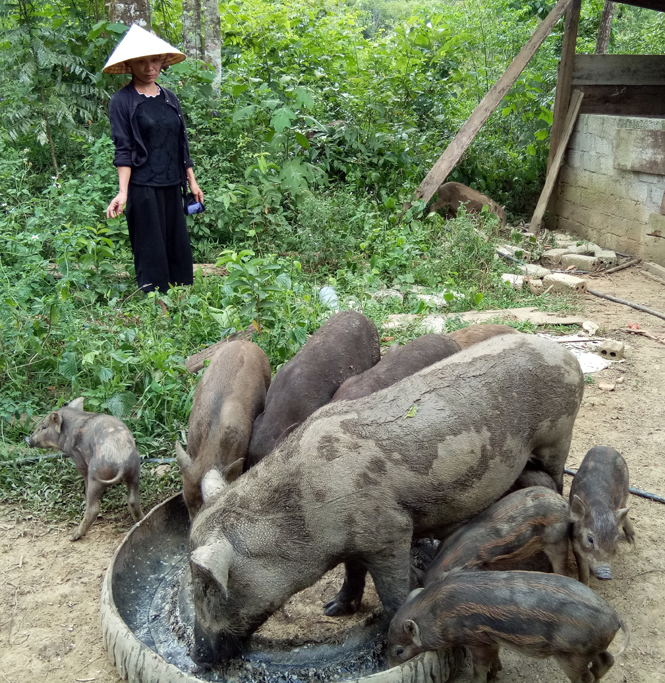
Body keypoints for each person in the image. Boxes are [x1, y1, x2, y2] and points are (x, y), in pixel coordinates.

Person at [103, 25, 203, 311]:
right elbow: (123, 149)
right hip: (143, 186)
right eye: (142, 62)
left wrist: (192, 181)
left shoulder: (170, 98)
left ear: (162, 61)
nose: (150, 68)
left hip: (173, 183)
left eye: (155, 60)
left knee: (177, 246)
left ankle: (182, 304)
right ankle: (156, 307)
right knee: (150, 248)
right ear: (130, 65)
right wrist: (122, 193)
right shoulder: (122, 101)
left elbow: (181, 142)